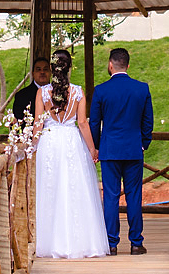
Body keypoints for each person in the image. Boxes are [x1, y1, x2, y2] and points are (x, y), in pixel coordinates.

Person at [32, 49, 110, 259]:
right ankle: (80, 242)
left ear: (52, 68)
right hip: (71, 142)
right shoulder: (78, 91)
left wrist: (32, 146)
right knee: (74, 188)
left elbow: (38, 124)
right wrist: (92, 149)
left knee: (50, 188)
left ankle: (49, 242)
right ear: (69, 68)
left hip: (49, 142)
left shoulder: (42, 93)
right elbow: (83, 123)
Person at [88, 47, 153, 256]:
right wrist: (143, 143)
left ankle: (111, 243)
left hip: (109, 151)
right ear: (127, 65)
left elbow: (95, 123)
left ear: (110, 64)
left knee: (111, 197)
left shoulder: (101, 90)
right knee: (134, 196)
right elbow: (147, 121)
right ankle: (136, 243)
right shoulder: (142, 89)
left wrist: (96, 147)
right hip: (134, 150)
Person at [12, 56, 52, 125]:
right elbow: (19, 123)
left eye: (45, 69)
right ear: (33, 74)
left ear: (51, 73)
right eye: (38, 70)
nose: (42, 72)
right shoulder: (21, 96)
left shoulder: (57, 93)